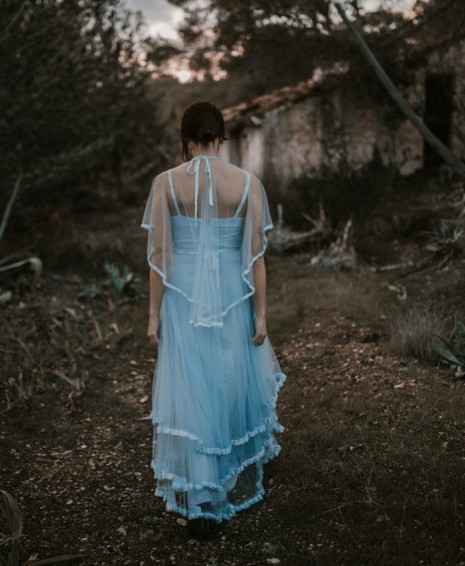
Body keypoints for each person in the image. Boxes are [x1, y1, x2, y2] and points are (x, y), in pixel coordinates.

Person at [141, 101, 285, 538]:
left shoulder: (165, 184)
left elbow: (161, 257)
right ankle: (224, 473)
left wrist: (152, 314)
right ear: (221, 138)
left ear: (185, 140)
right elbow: (255, 257)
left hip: (182, 294)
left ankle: (202, 498)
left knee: (191, 386)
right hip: (228, 292)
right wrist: (260, 314)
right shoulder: (246, 183)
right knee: (226, 378)